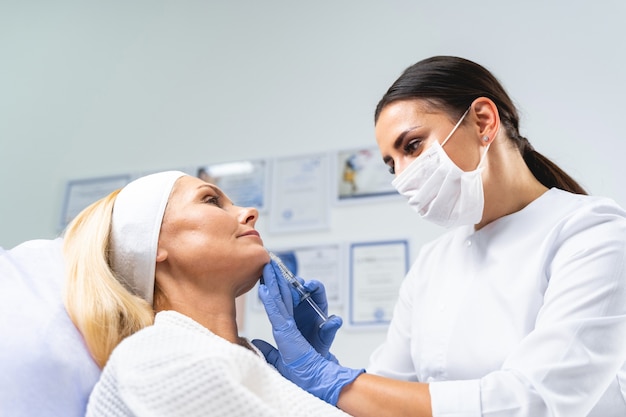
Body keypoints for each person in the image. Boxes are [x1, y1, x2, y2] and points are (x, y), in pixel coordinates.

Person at [251, 56, 626, 417]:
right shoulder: (434, 262)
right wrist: (322, 372)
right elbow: (386, 395)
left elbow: (534, 402)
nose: (403, 177)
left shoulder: (592, 233)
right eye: (391, 165)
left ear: (482, 121)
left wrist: (335, 382)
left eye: (412, 146)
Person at [62, 170, 351, 417]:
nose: (250, 213)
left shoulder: (257, 365)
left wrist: (318, 381)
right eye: (212, 201)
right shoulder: (157, 360)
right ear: (150, 245)